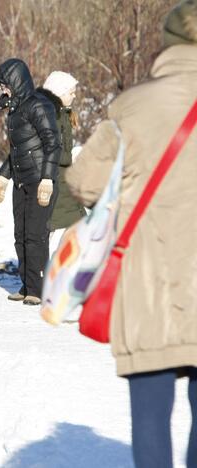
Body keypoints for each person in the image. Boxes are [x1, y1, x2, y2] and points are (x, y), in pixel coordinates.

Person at [66, 2, 197, 465]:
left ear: (167, 43)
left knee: (150, 417)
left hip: (148, 287)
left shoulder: (133, 106)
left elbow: (82, 181)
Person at [0, 58, 61, 306]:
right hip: (22, 180)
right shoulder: (15, 110)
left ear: (16, 82)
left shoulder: (38, 106)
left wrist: (47, 178)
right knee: (20, 235)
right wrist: (4, 174)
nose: (3, 90)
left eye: (5, 85)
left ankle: (38, 287)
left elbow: (53, 144)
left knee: (35, 235)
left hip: (40, 181)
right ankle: (26, 284)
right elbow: (19, 149)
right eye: (0, 86)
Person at [38, 71, 86, 247]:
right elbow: (51, 150)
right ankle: (47, 266)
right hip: (54, 178)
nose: (74, 96)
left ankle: (62, 264)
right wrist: (70, 158)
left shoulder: (64, 114)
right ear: (58, 93)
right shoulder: (52, 117)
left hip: (63, 178)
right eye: (70, 92)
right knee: (51, 225)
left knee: (76, 223)